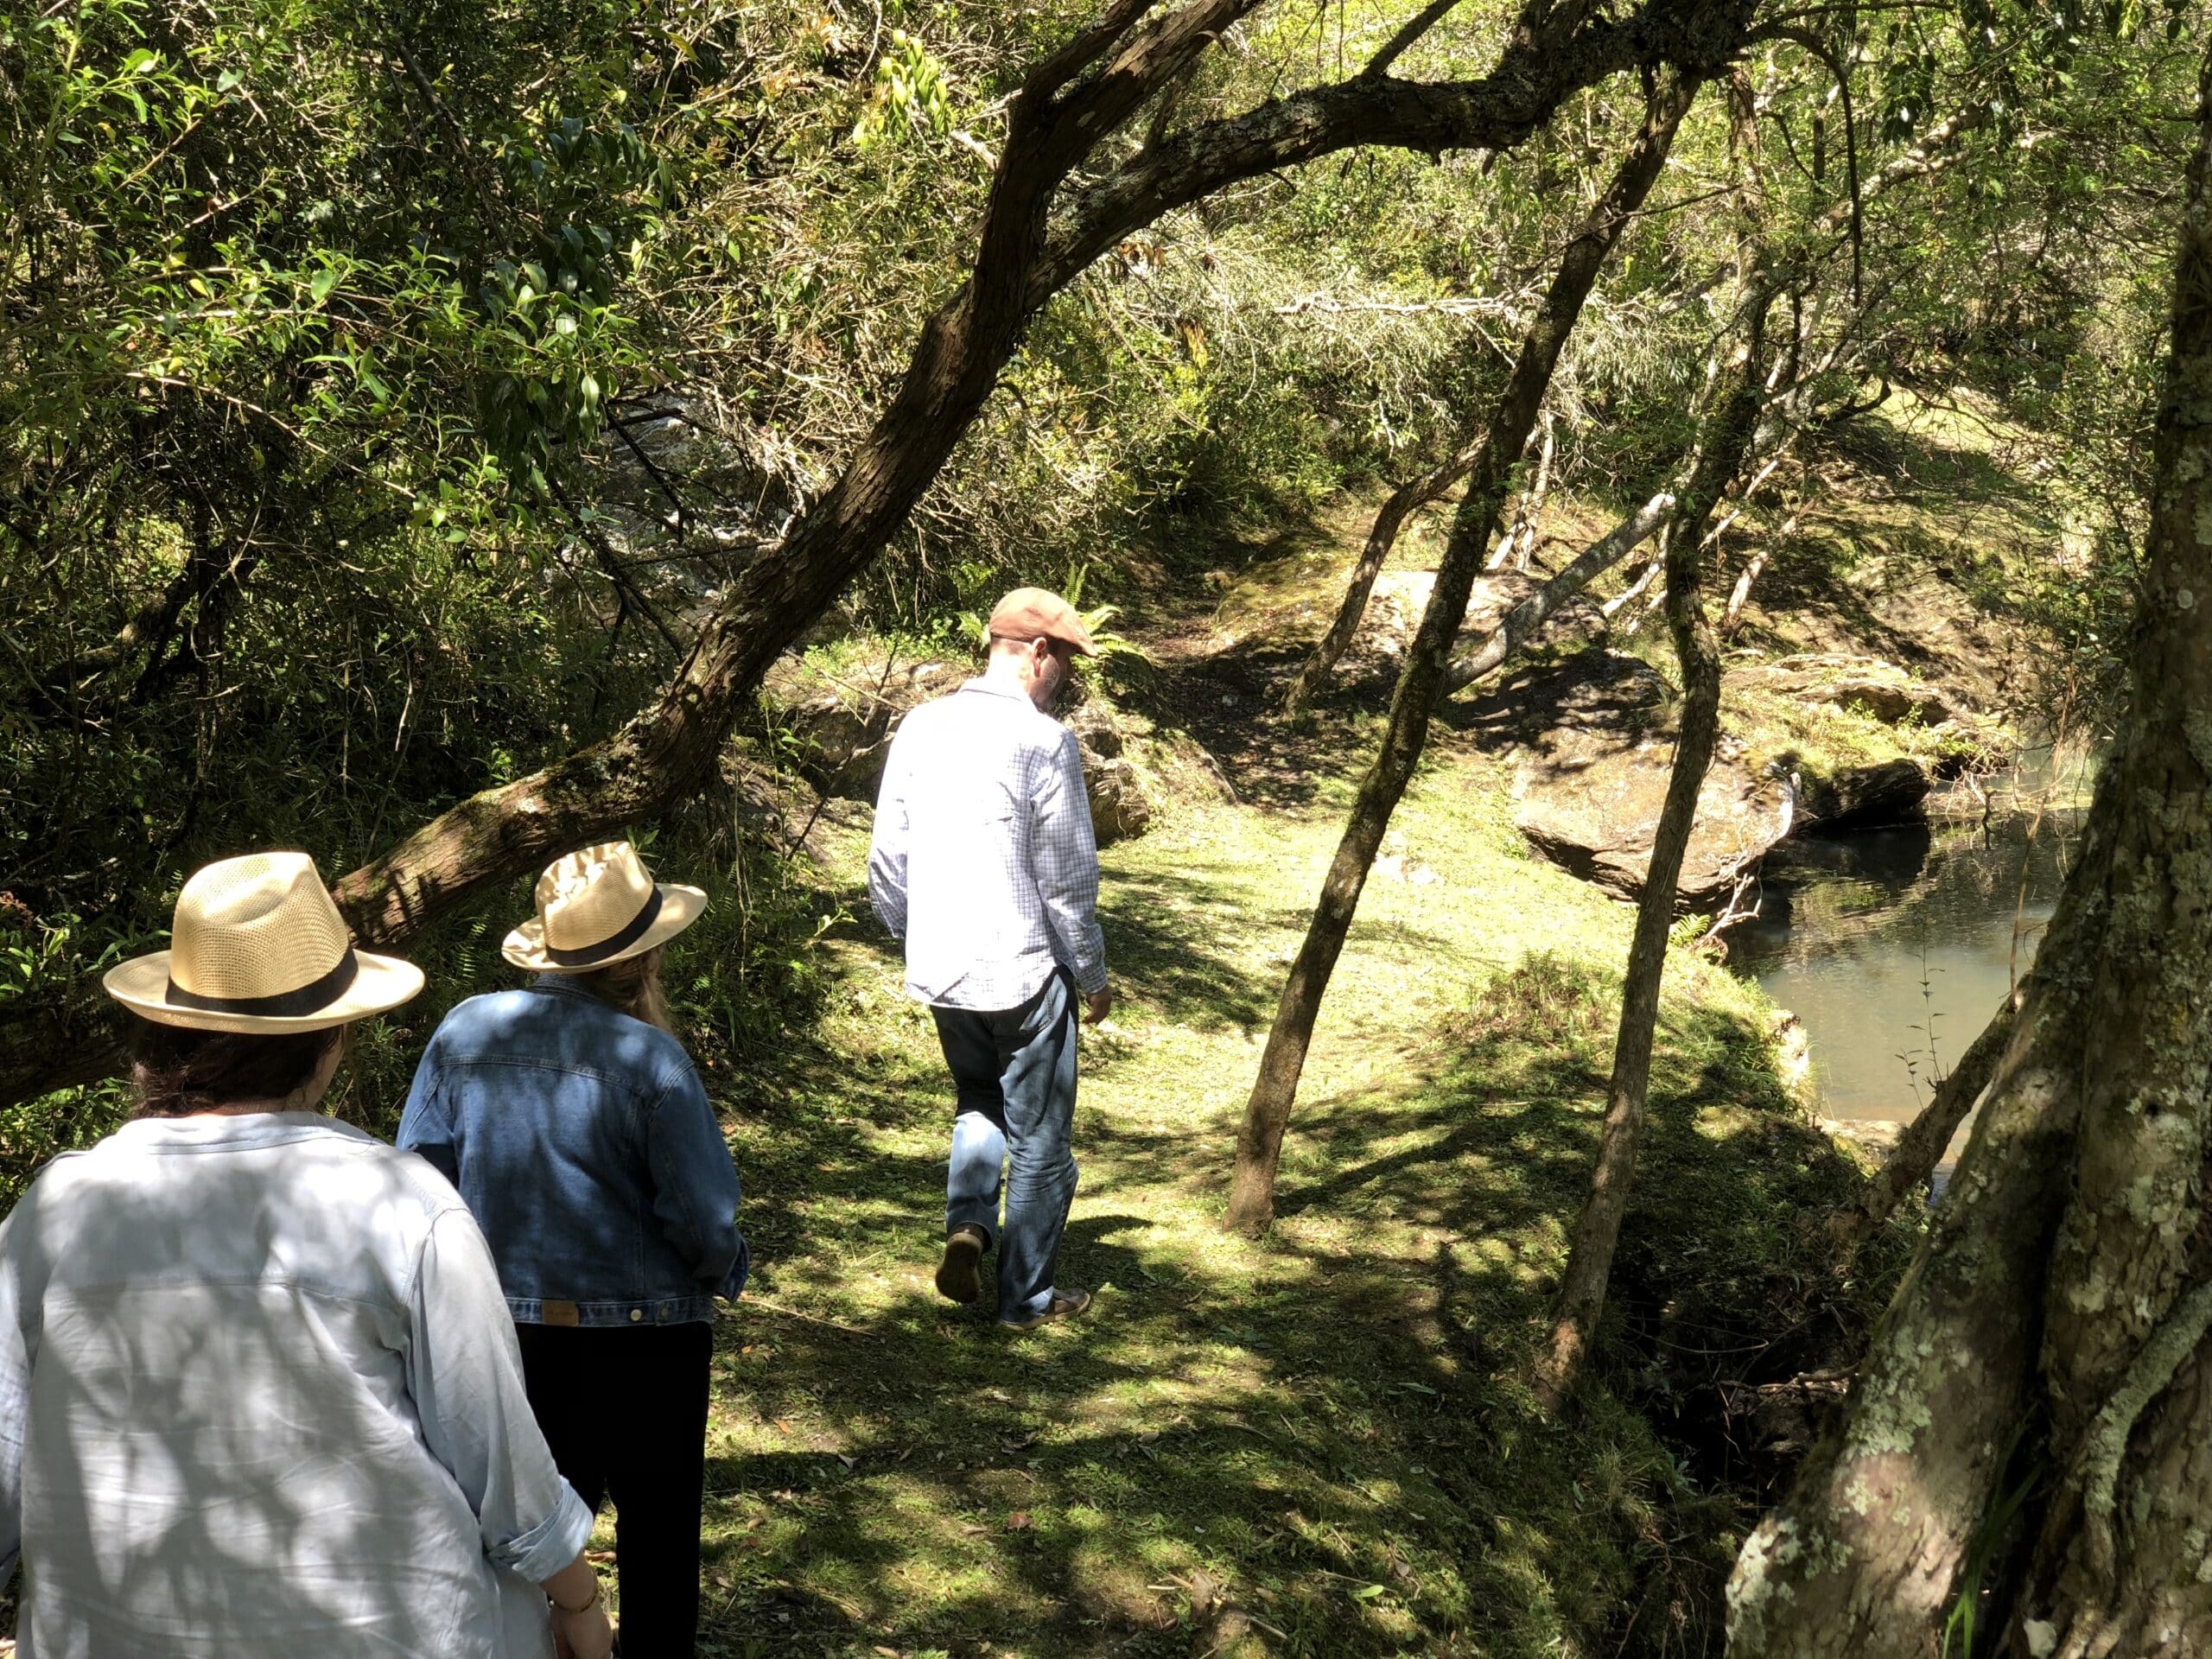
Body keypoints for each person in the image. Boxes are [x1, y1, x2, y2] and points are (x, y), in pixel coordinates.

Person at [0, 850, 613, 1659]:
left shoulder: (57, 1210)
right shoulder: (402, 1205)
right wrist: (577, 1601)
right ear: (329, 1040)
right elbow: (499, 1459)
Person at [400, 841, 746, 1659]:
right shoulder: (650, 1059)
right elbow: (703, 1218)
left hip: (503, 1340)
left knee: (523, 1542)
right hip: (649, 1344)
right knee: (661, 1540)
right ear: (644, 956)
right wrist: (722, 1270)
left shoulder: (463, 1031)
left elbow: (418, 1179)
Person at [868, 586, 1111, 1332]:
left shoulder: (921, 725)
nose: (1065, 676)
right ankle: (1026, 1301)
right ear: (1037, 653)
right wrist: (1094, 976)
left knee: (978, 1098)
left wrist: (914, 932)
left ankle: (970, 1224)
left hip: (943, 971)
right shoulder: (1044, 741)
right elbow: (1067, 878)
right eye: (1065, 661)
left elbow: (887, 854)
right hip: (1024, 972)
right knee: (1041, 1137)